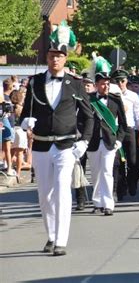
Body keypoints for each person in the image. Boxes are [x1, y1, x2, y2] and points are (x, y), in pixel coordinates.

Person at [19, 39, 94, 256]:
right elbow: (25, 113)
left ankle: (61, 240)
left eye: (59, 56)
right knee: (44, 194)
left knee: (62, 190)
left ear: (65, 59)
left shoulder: (76, 83)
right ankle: (51, 235)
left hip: (65, 145)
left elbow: (89, 117)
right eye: (51, 56)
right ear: (47, 58)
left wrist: (84, 141)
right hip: (41, 144)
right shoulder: (35, 82)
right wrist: (25, 123)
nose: (55, 60)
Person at [87, 67, 127, 216]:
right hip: (93, 141)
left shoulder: (116, 100)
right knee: (96, 173)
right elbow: (81, 121)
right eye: (102, 84)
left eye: (108, 84)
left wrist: (120, 140)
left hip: (110, 141)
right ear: (96, 84)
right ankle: (97, 202)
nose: (106, 86)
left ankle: (108, 204)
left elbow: (123, 123)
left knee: (107, 172)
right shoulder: (89, 99)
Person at [111, 70, 139, 197]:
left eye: (123, 81)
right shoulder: (111, 95)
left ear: (127, 82)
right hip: (115, 129)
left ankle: (132, 182)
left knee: (132, 160)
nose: (120, 83)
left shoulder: (133, 96)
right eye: (117, 81)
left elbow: (138, 117)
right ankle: (120, 187)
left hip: (129, 129)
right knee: (118, 161)